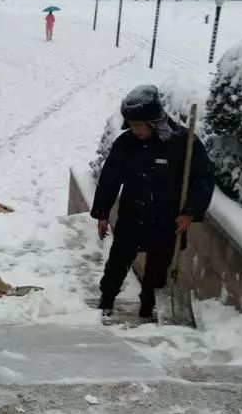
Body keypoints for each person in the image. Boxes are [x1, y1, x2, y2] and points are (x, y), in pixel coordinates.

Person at [91, 85, 214, 319]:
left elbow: (203, 179)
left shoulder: (183, 143)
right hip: (132, 214)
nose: (133, 130)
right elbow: (110, 178)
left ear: (154, 120)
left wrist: (190, 212)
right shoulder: (125, 144)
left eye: (137, 125)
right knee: (117, 262)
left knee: (158, 268)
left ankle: (148, 307)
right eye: (130, 124)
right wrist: (102, 213)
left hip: (167, 218)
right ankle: (106, 300)